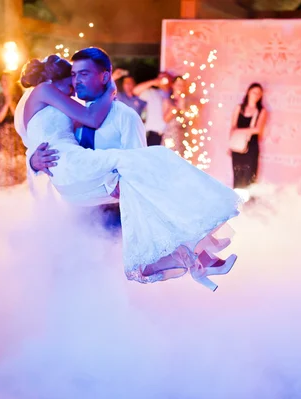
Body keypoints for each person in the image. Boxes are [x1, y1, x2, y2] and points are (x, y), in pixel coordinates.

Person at [17, 51, 240, 291]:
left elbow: (132, 158)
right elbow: (37, 142)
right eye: (72, 77)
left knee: (150, 177)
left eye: (82, 75)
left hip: (110, 204)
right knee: (157, 163)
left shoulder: (121, 115)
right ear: (55, 80)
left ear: (103, 76)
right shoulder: (51, 96)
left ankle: (195, 254)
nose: (75, 85)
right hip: (75, 193)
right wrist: (33, 161)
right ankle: (197, 248)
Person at [229, 83, 268, 190]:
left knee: (249, 177)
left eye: (259, 93)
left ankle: (249, 205)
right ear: (248, 92)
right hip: (237, 146)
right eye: (254, 92)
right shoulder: (239, 108)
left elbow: (257, 130)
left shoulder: (261, 111)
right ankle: (236, 204)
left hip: (251, 147)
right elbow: (232, 127)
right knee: (237, 176)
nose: (256, 95)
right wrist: (230, 144)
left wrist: (239, 131)